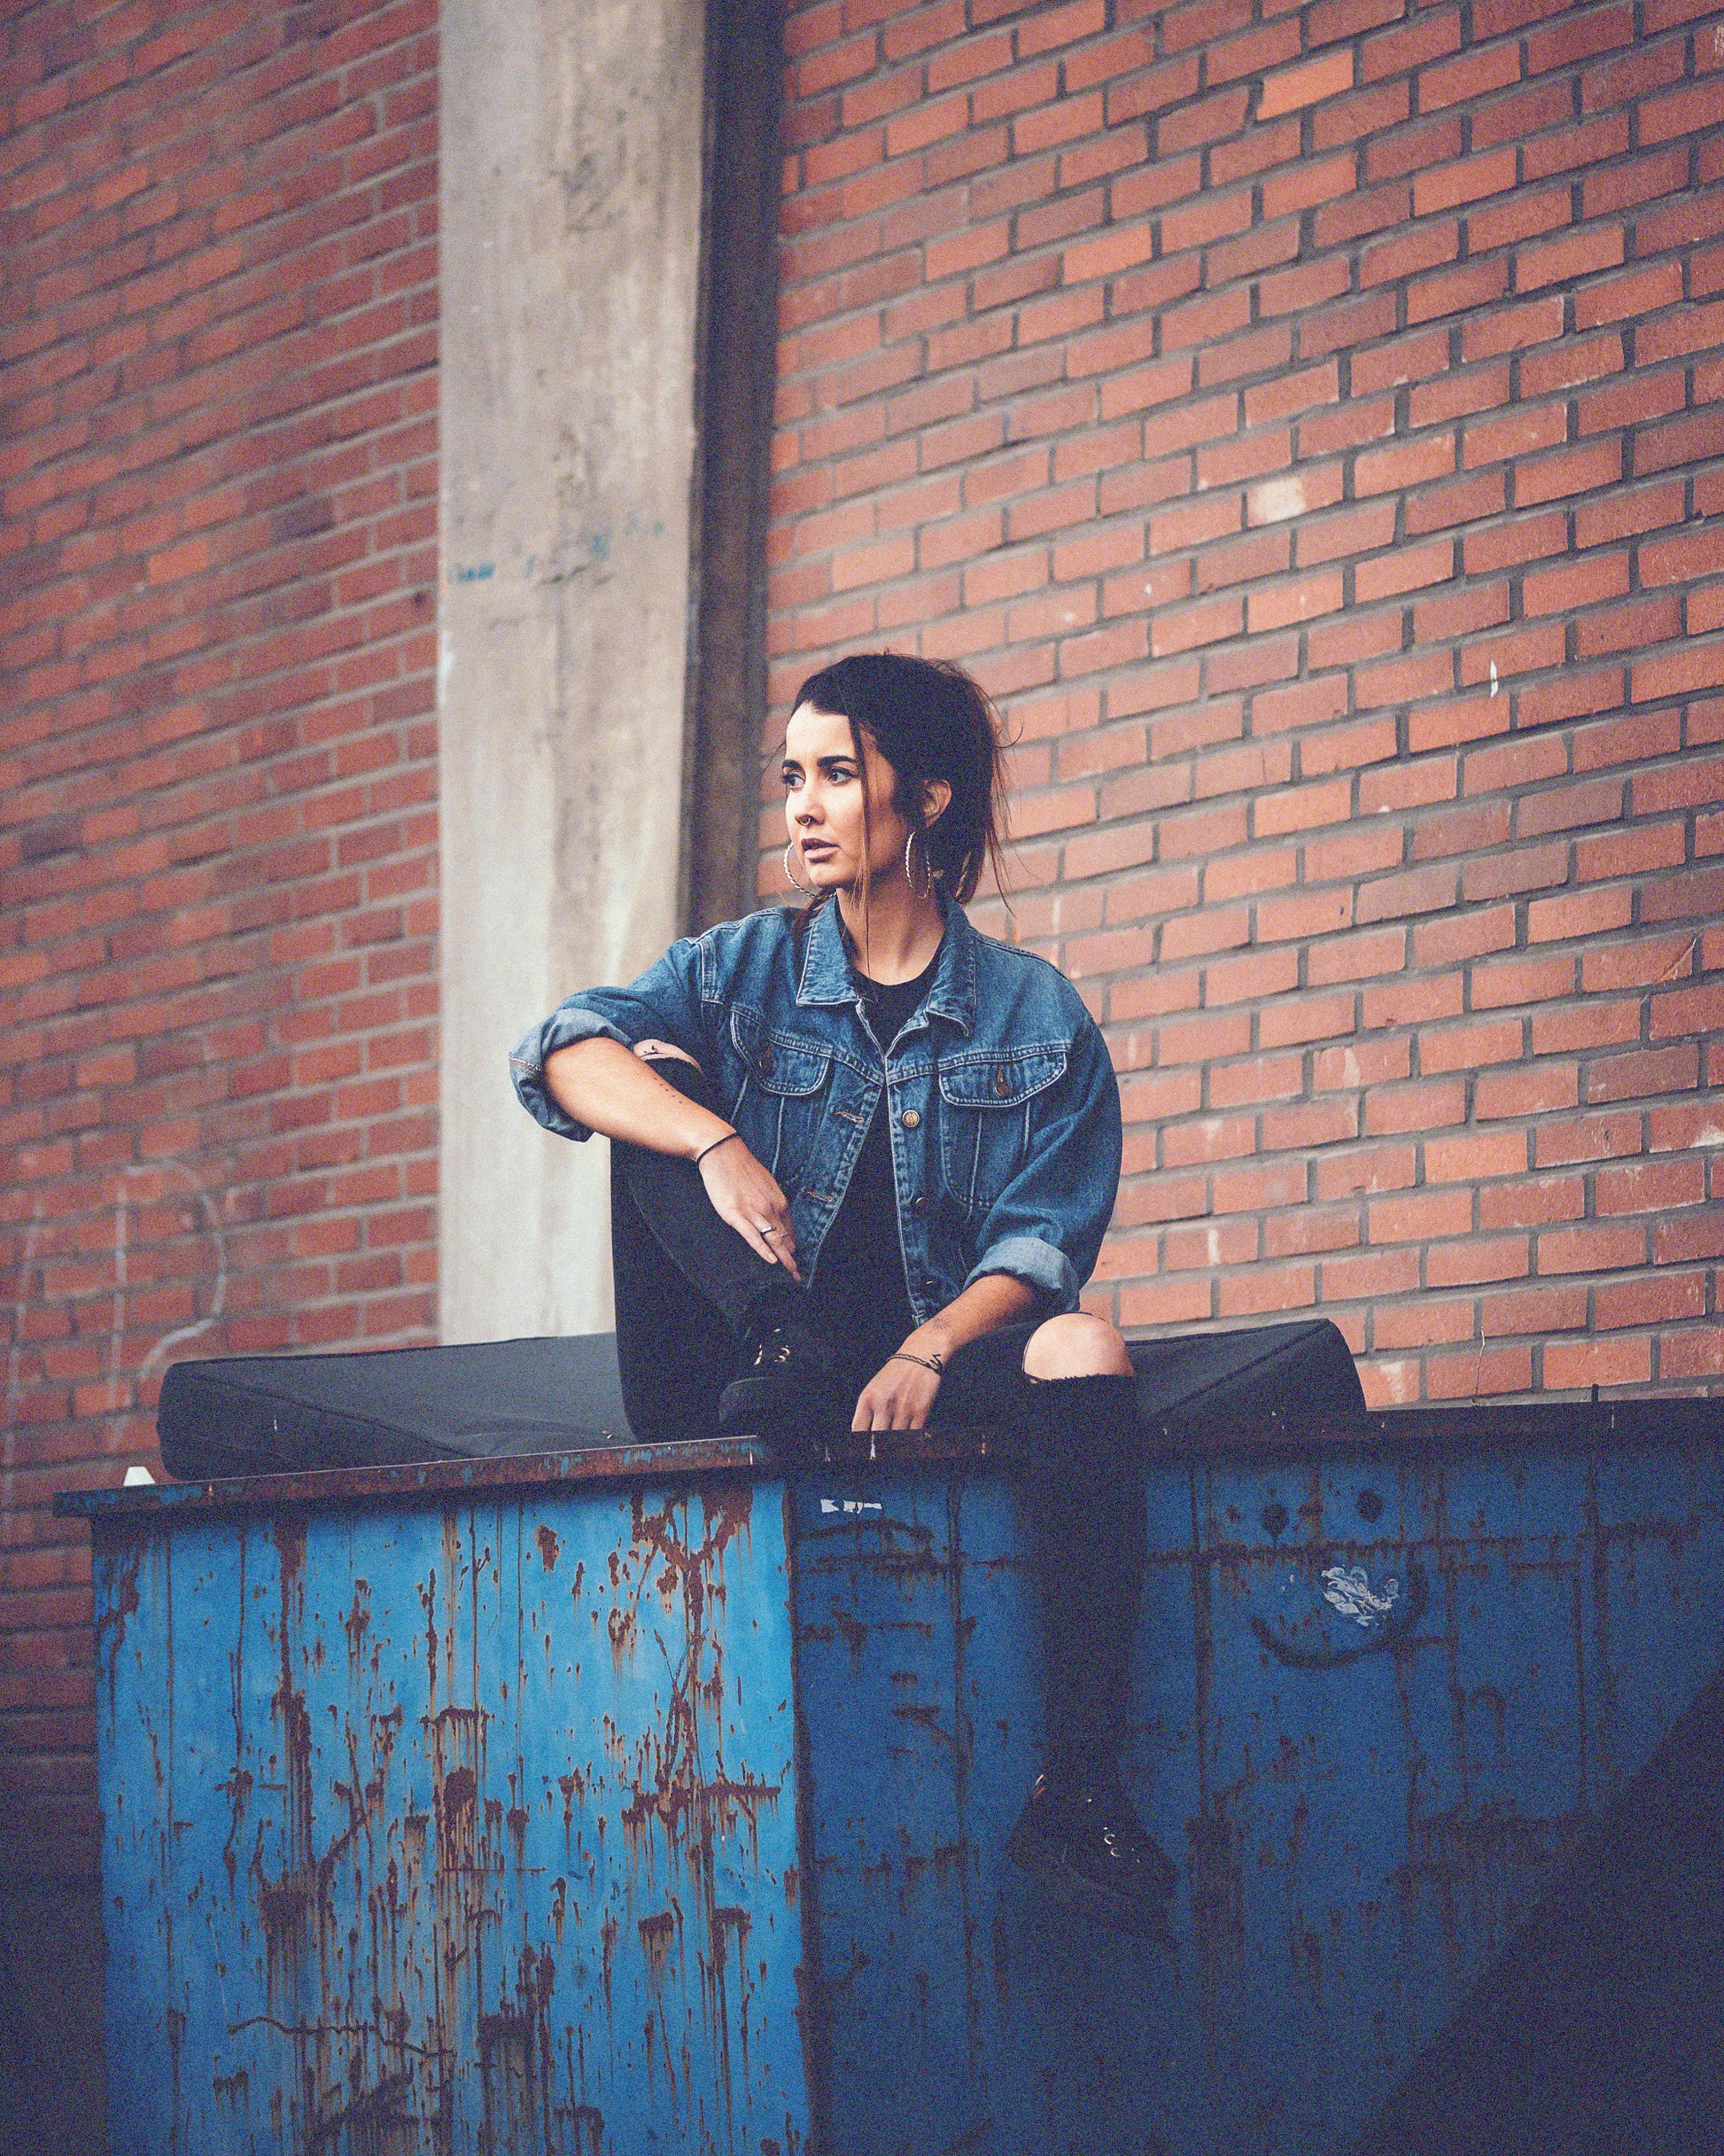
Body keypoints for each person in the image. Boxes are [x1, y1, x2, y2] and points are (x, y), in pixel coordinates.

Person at [509, 651, 1175, 1936]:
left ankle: (1078, 1788)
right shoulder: (740, 970)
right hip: (737, 1365)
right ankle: (782, 1338)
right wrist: (714, 1140)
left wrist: (930, 1346)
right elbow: (562, 1054)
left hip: (910, 1368)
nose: (803, 808)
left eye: (836, 775)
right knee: (648, 1077)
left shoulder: (1033, 1015)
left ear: (925, 797)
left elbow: (1044, 1239)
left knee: (1085, 1342)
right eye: (791, 778)